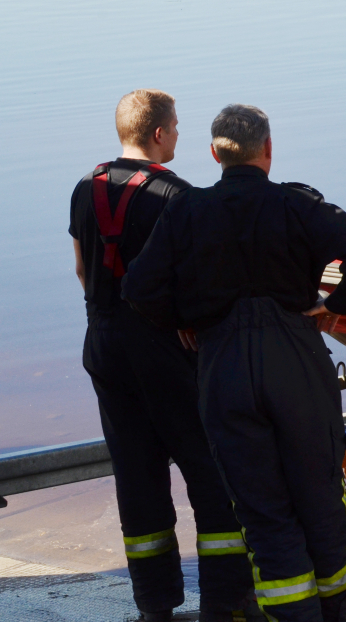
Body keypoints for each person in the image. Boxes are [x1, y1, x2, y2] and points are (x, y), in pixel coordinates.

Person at [123, 104, 346, 622]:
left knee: (263, 511)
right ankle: (336, 612)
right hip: (296, 359)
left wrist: (187, 318)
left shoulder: (186, 210)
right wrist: (333, 308)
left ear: (215, 154)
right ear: (268, 149)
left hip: (223, 367)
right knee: (320, 500)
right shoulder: (296, 204)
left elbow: (138, 287)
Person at [70, 89, 259, 622]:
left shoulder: (85, 188)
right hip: (164, 345)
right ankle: (223, 600)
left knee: (136, 472)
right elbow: (201, 285)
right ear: (159, 133)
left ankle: (154, 603)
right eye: (175, 128)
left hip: (103, 345)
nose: (178, 136)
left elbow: (84, 272)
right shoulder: (179, 197)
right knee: (208, 466)